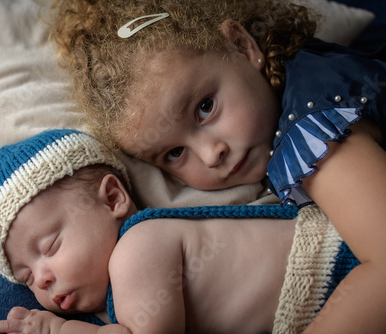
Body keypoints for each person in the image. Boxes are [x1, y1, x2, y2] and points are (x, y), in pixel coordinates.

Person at [52, 0, 386, 332]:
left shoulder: (315, 132)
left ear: (242, 47)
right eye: (174, 153)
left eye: (205, 107)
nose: (212, 155)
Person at [0, 128, 359, 334]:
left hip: (340, 266)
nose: (42, 278)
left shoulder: (139, 246)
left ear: (113, 199)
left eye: (50, 246)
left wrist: (60, 329)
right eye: (26, 277)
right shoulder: (117, 299)